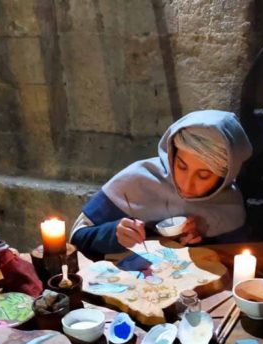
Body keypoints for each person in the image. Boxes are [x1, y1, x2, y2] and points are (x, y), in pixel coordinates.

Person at [71, 110, 252, 258]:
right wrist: (113, 234)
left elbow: (237, 261)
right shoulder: (137, 180)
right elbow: (77, 239)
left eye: (203, 176)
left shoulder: (229, 205)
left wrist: (201, 239)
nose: (186, 185)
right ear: (172, 154)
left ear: (225, 176)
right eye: (181, 166)